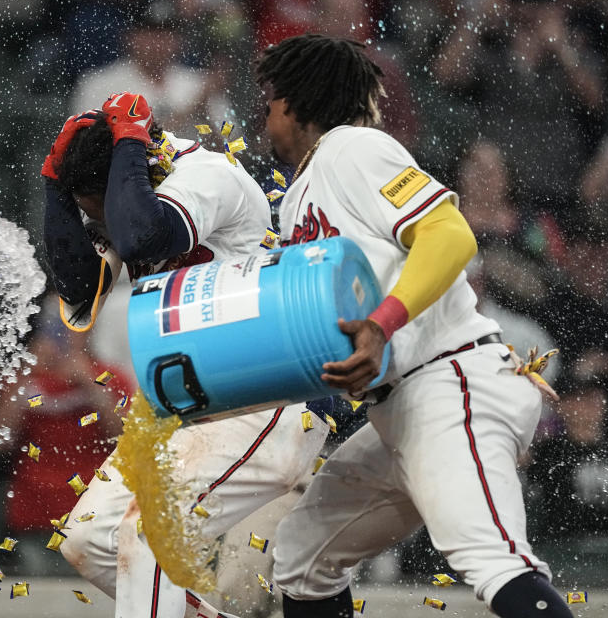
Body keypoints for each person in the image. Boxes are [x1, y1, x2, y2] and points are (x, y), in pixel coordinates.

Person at [255, 33, 571, 618]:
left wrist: (380, 324)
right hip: (398, 408)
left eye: (270, 98)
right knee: (302, 558)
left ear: (296, 102)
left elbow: (450, 234)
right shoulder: (300, 193)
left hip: (453, 382)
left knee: (496, 564)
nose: (264, 112)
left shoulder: (353, 149)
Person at [42, 92, 331, 618]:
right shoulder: (127, 185)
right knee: (87, 542)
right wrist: (52, 186)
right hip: (183, 405)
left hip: (256, 393)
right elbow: (80, 291)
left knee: (147, 530)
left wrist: (130, 144)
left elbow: (143, 236)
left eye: (99, 213)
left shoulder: (205, 173)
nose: (101, 229)